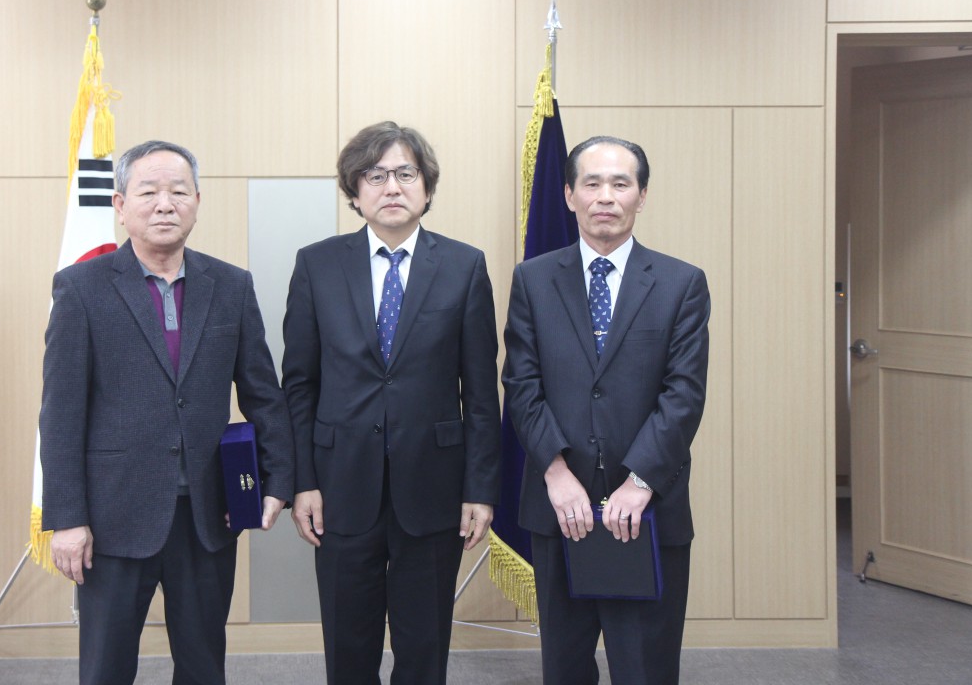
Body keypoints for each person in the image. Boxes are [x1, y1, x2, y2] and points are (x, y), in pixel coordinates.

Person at [39, 140, 294, 685]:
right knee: (106, 669)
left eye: (178, 191)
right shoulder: (81, 288)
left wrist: (278, 480)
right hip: (112, 517)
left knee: (203, 667)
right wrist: (67, 518)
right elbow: (60, 413)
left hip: (207, 514)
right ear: (120, 205)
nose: (164, 204)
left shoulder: (231, 285)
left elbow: (263, 393)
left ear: (197, 202)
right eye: (148, 192)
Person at [282, 121, 501, 685]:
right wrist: (303, 481)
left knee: (424, 648)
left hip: (434, 488)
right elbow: (299, 385)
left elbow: (481, 394)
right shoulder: (317, 265)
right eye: (375, 176)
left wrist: (479, 488)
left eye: (406, 173)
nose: (392, 187)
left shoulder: (464, 266)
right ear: (354, 192)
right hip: (338, 487)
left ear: (427, 187)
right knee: (348, 648)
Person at [502, 136, 709, 685]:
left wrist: (639, 482)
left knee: (645, 669)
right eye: (591, 183)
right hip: (559, 509)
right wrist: (555, 472)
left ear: (642, 195)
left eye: (621, 183)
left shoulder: (681, 283)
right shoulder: (533, 280)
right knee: (564, 668)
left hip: (647, 510)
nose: (606, 196)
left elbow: (683, 395)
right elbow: (521, 384)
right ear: (569, 195)